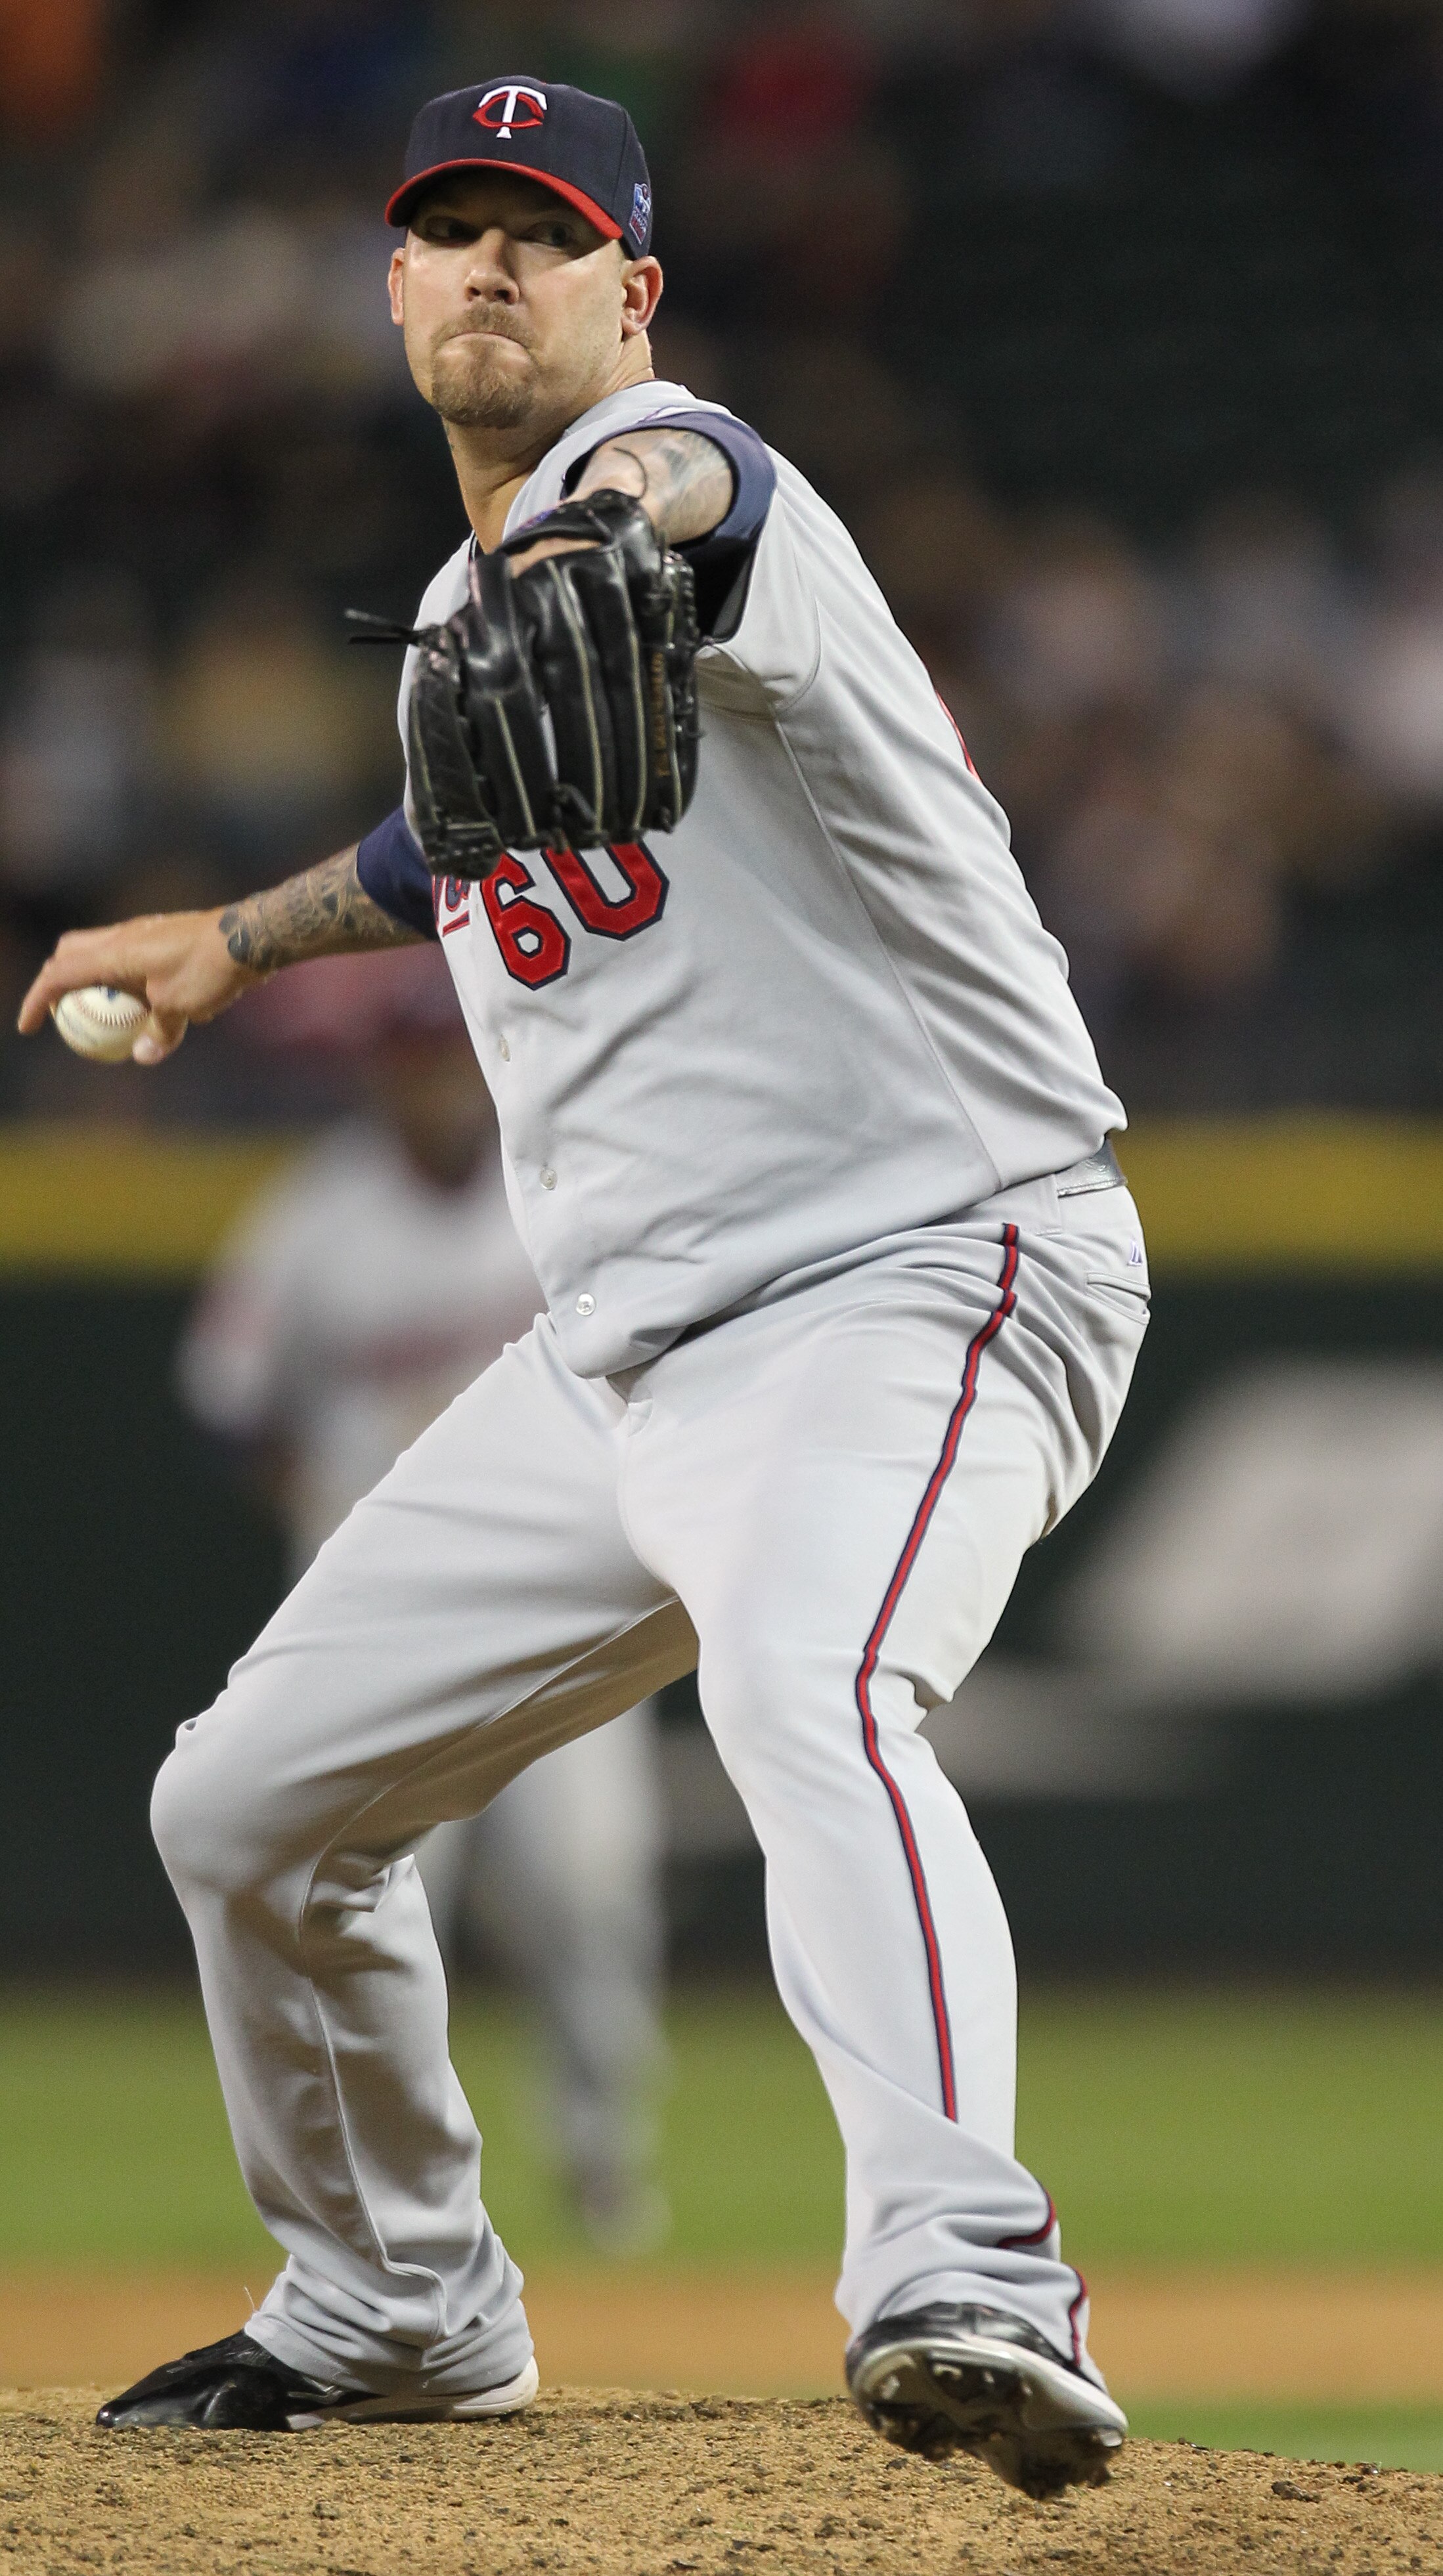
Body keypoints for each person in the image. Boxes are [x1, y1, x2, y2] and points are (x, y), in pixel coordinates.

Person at [20, 77, 1150, 2493]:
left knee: (805, 1677)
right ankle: (398, 2297)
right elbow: (452, 837)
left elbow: (683, 508)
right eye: (444, 231)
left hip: (918, 1263)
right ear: (390, 289)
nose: (487, 269)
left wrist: (614, 512)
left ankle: (965, 2261)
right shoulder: (466, 615)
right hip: (622, 1353)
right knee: (244, 1805)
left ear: (632, 287)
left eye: (541, 235)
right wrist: (229, 942)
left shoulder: (677, 485)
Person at [178, 947, 667, 2254]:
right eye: (409, 1060)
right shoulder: (313, 1213)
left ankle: (599, 2154)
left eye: (448, 1055)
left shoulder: (555, 1187)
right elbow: (226, 1402)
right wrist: (322, 1497)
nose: (434, 1081)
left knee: (590, 1892)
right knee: (380, 1905)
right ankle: (395, 2221)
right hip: (376, 1627)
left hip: (556, 1611)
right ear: (378, 1076)